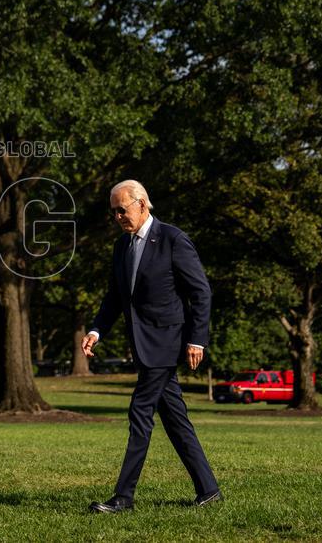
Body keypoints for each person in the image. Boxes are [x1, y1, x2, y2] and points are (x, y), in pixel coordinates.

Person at [83, 180, 221, 513]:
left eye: (122, 210)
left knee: (140, 411)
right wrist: (97, 330)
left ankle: (124, 497)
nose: (117, 217)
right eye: (113, 212)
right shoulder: (122, 246)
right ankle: (209, 490)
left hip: (168, 342)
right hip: (143, 344)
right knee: (175, 419)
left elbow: (200, 291)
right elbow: (116, 297)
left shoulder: (173, 239)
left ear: (142, 204)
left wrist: (197, 339)